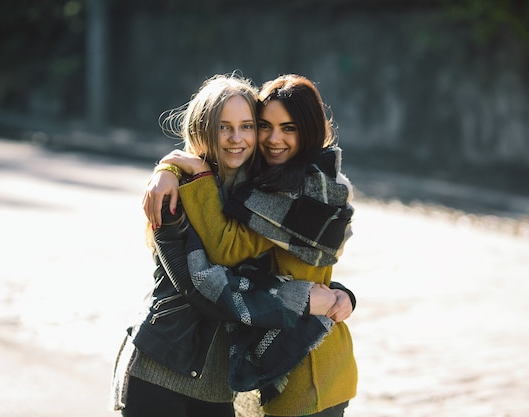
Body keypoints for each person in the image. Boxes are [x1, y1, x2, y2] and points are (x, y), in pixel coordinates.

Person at [112, 73, 355, 417]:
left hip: (219, 389)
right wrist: (170, 168)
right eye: (224, 127)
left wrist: (339, 292)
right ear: (203, 129)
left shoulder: (261, 192)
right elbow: (199, 285)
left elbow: (280, 264)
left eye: (246, 126)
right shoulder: (177, 190)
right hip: (161, 370)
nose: (237, 138)